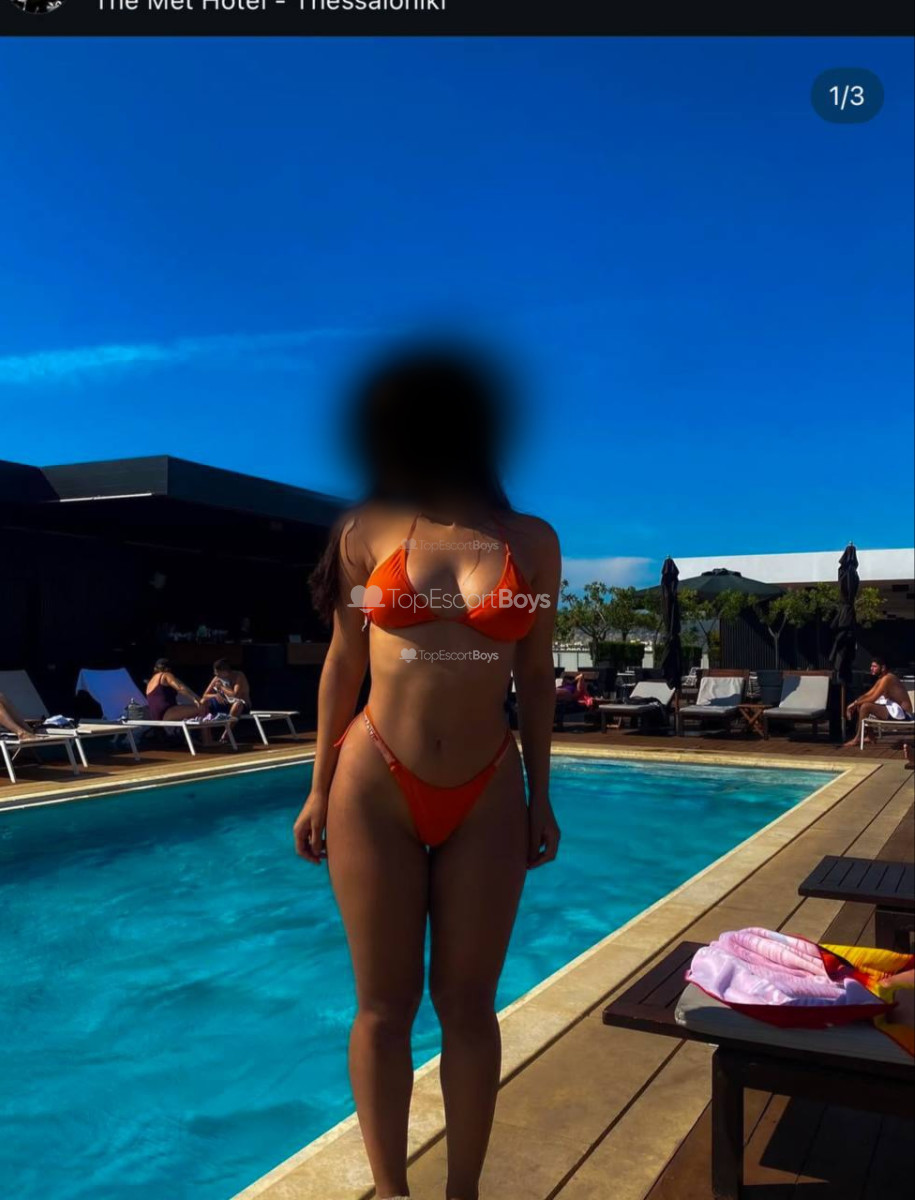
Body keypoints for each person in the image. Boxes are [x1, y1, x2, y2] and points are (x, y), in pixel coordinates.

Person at [293, 344, 561, 1200]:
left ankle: (461, 1193)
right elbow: (343, 661)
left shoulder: (531, 542)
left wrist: (542, 796)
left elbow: (536, 676)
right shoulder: (365, 531)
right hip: (373, 781)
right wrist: (315, 785)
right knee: (383, 1006)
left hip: (488, 787)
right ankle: (391, 1193)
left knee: (468, 1006)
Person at [844, 657, 914, 747]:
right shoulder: (882, 679)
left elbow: (873, 698)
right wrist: (856, 702)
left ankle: (858, 738)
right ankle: (870, 736)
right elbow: (867, 695)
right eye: (871, 666)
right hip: (895, 710)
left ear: (883, 668)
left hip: (904, 714)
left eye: (874, 666)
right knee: (862, 704)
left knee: (865, 706)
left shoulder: (888, 678)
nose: (871, 668)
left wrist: (854, 704)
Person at [201, 659, 251, 726]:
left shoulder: (238, 676)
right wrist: (215, 695)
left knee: (237, 704)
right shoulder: (217, 678)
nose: (216, 675)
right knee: (203, 701)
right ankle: (204, 731)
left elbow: (235, 695)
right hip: (224, 705)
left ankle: (227, 732)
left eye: (217, 673)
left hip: (240, 706)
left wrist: (221, 687)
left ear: (224, 672)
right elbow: (205, 695)